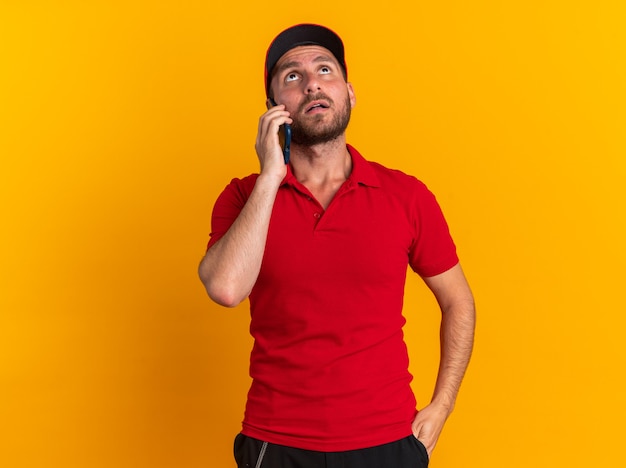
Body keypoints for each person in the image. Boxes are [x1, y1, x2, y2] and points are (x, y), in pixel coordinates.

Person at [198, 23, 475, 468]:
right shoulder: (242, 197)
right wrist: (272, 175)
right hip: (277, 440)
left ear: (348, 92)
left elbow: (458, 302)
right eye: (292, 76)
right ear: (273, 109)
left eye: (324, 70)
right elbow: (226, 289)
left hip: (387, 441)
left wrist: (441, 407)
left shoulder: (406, 196)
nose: (311, 83)